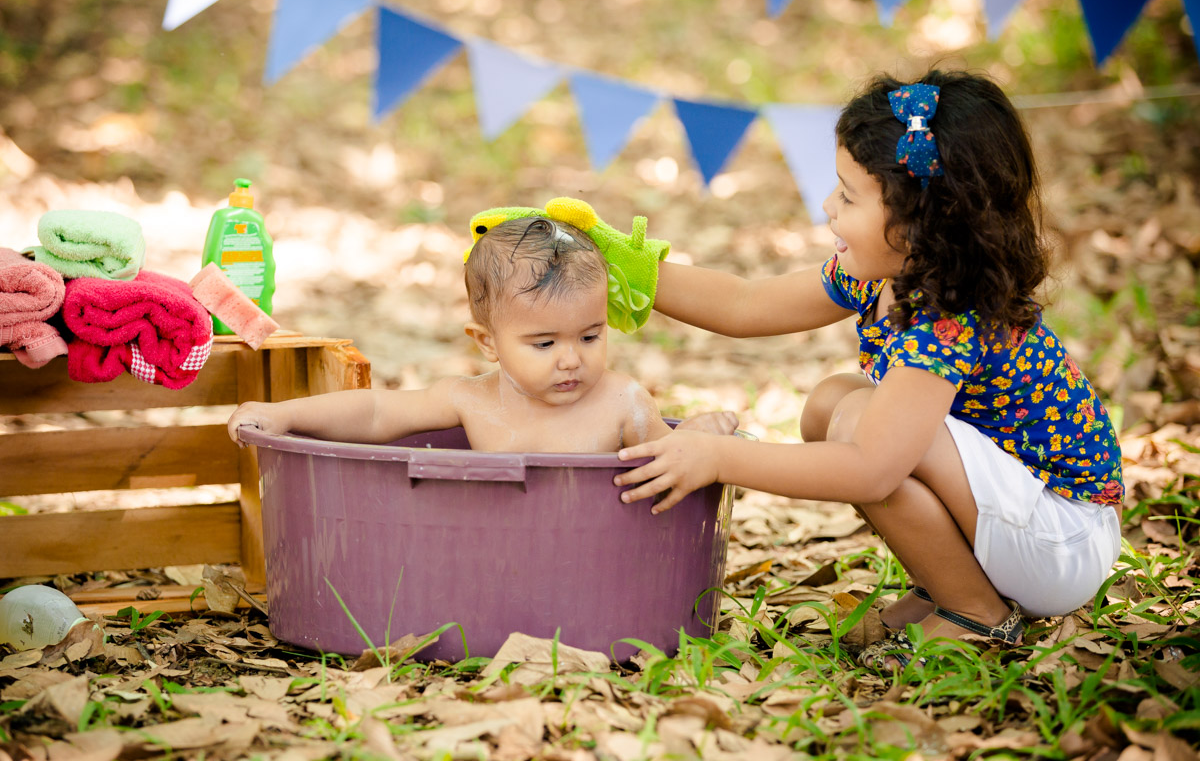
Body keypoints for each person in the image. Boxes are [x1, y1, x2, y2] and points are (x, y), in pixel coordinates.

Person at [593, 69, 1124, 669]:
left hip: (1061, 540)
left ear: (923, 221)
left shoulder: (950, 315)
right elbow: (746, 303)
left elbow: (872, 469)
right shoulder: (886, 271)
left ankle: (978, 613)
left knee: (860, 424)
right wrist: (625, 267)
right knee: (831, 404)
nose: (827, 206)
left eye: (847, 196)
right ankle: (947, 586)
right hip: (1014, 518)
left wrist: (720, 457)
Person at [227, 215, 736, 455]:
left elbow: (673, 459)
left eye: (590, 336)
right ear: (487, 341)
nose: (571, 360)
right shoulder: (471, 400)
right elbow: (378, 410)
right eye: (544, 343)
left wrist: (700, 435)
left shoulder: (624, 403)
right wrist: (283, 414)